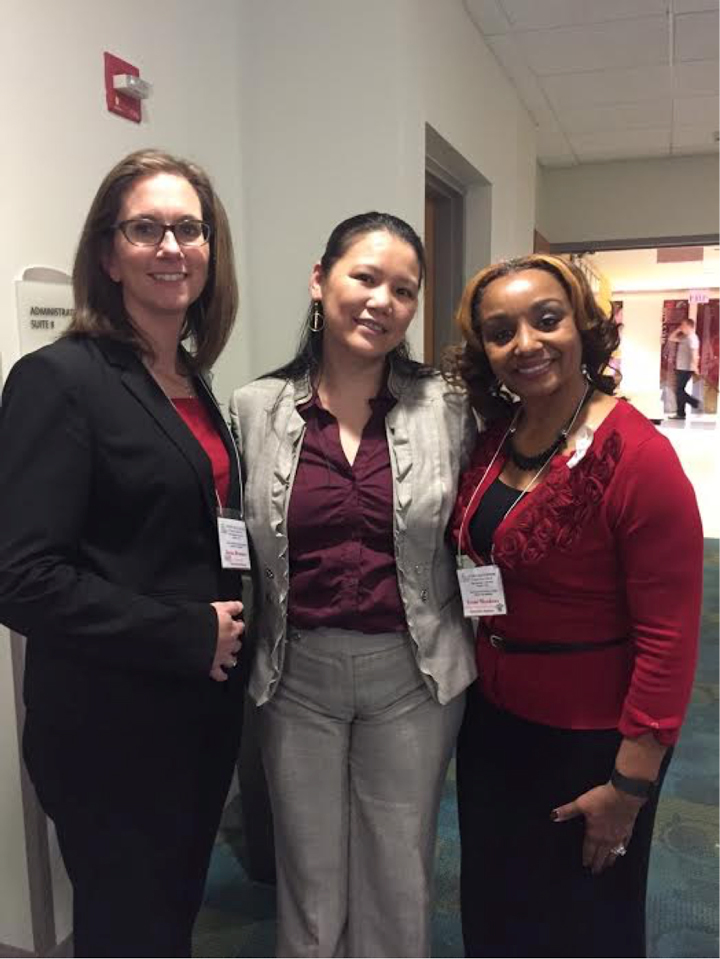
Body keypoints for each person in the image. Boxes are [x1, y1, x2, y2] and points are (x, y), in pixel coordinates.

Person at [0, 149, 245, 957]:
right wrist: (183, 632)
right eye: (146, 229)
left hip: (196, 717)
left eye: (188, 228)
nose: (171, 247)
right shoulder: (58, 378)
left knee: (166, 922)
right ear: (108, 253)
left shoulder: (191, 378)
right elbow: (22, 579)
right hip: (113, 729)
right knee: (127, 932)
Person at [230, 212, 476, 958]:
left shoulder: (450, 408)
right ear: (320, 279)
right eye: (364, 277)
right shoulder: (255, 409)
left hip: (413, 674)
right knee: (308, 874)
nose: (382, 301)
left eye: (403, 289)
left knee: (398, 868)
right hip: (296, 672)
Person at [444, 253, 703, 958]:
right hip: (494, 725)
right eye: (501, 331)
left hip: (591, 741)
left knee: (581, 923)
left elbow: (670, 640)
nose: (525, 343)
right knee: (497, 906)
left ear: (584, 327)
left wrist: (628, 786)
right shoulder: (497, 439)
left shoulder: (640, 458)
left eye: (546, 319)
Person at [670, 316, 700, 419]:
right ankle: (681, 413)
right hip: (681, 367)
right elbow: (671, 338)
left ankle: (695, 402)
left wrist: (695, 366)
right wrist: (678, 329)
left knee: (679, 390)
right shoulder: (685, 337)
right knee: (679, 390)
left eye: (683, 325)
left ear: (688, 326)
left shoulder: (692, 338)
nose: (681, 327)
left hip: (686, 368)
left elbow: (695, 352)